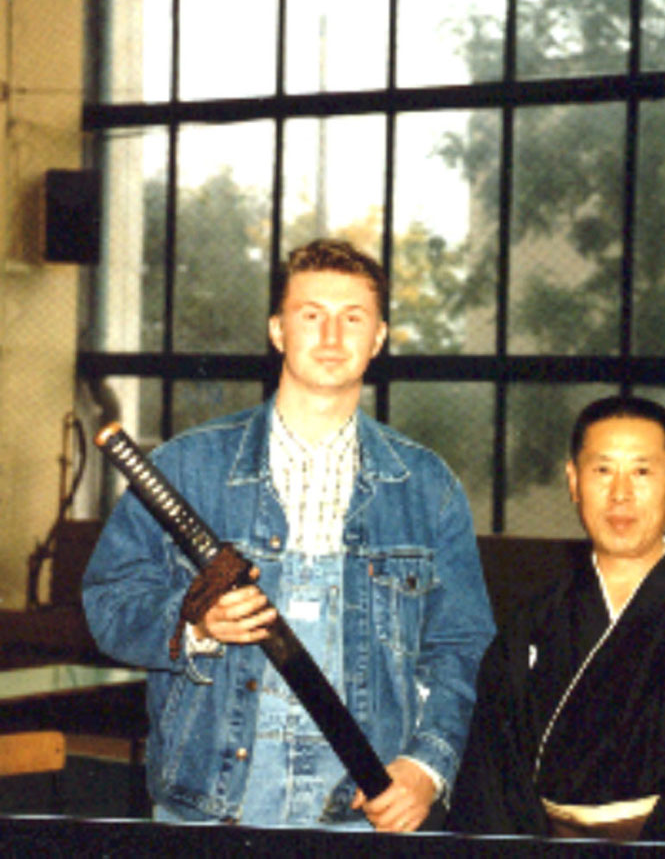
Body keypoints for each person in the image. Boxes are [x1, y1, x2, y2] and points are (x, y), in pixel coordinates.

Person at [82, 238, 495, 831]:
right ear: (278, 330)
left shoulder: (427, 487)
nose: (331, 337)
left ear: (379, 337)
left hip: (363, 814)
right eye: (311, 315)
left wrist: (426, 767)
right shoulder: (185, 468)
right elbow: (108, 601)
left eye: (353, 318)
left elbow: (463, 647)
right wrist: (194, 623)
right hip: (209, 814)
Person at [448, 395, 665, 844]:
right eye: (602, 470)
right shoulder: (532, 624)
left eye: (642, 472)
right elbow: (492, 779)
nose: (621, 493)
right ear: (573, 481)